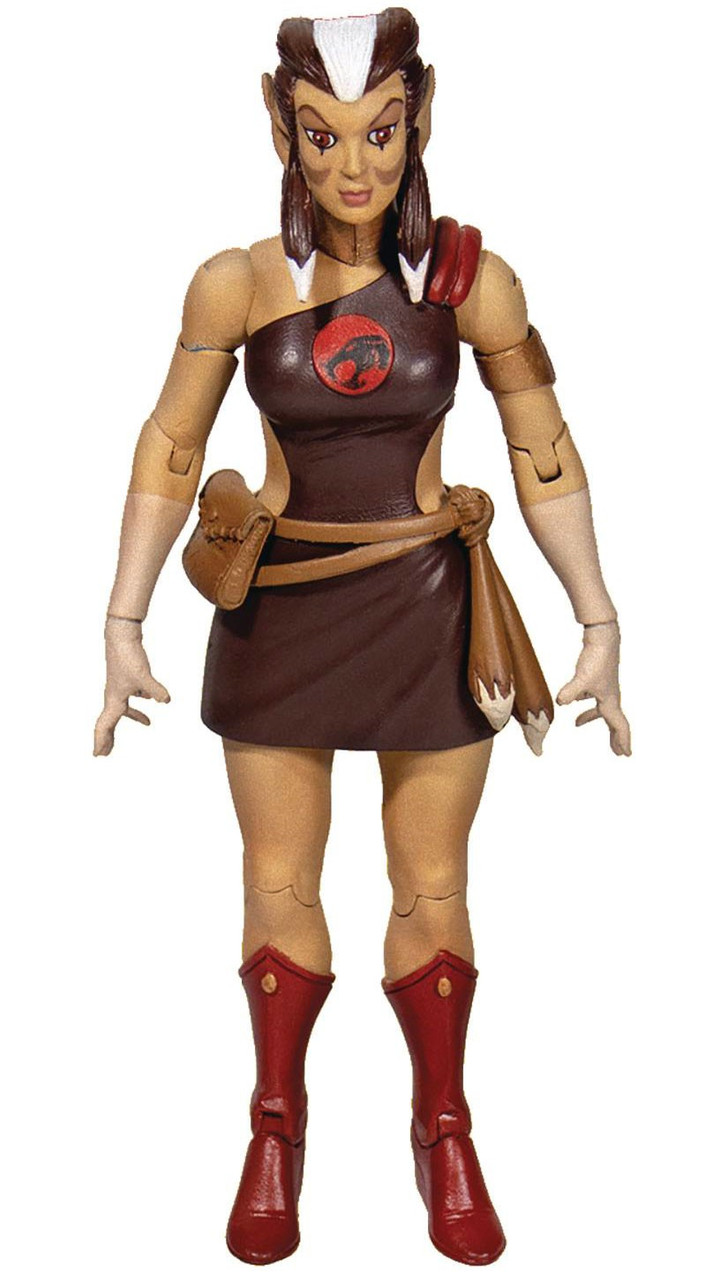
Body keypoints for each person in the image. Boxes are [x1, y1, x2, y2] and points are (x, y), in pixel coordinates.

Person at [94, 8, 631, 1268]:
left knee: (433, 881)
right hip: (279, 611)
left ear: (419, 119)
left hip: (429, 613)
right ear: (278, 124)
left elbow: (543, 448)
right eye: (324, 134)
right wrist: (122, 616)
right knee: (277, 879)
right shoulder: (237, 283)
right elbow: (171, 442)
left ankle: (444, 1127)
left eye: (380, 132)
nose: (353, 164)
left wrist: (597, 613)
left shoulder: (473, 281)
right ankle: (275, 1126)